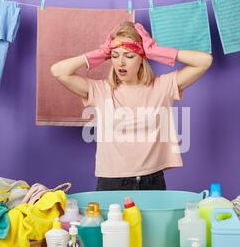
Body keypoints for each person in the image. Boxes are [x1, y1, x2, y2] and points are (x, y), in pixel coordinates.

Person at [51, 21, 212, 191]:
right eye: (114, 56)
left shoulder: (162, 86)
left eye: (129, 56)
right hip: (111, 182)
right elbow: (58, 71)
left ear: (142, 58)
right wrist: (100, 53)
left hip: (152, 180)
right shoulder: (100, 90)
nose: (120, 63)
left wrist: (155, 51)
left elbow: (204, 61)